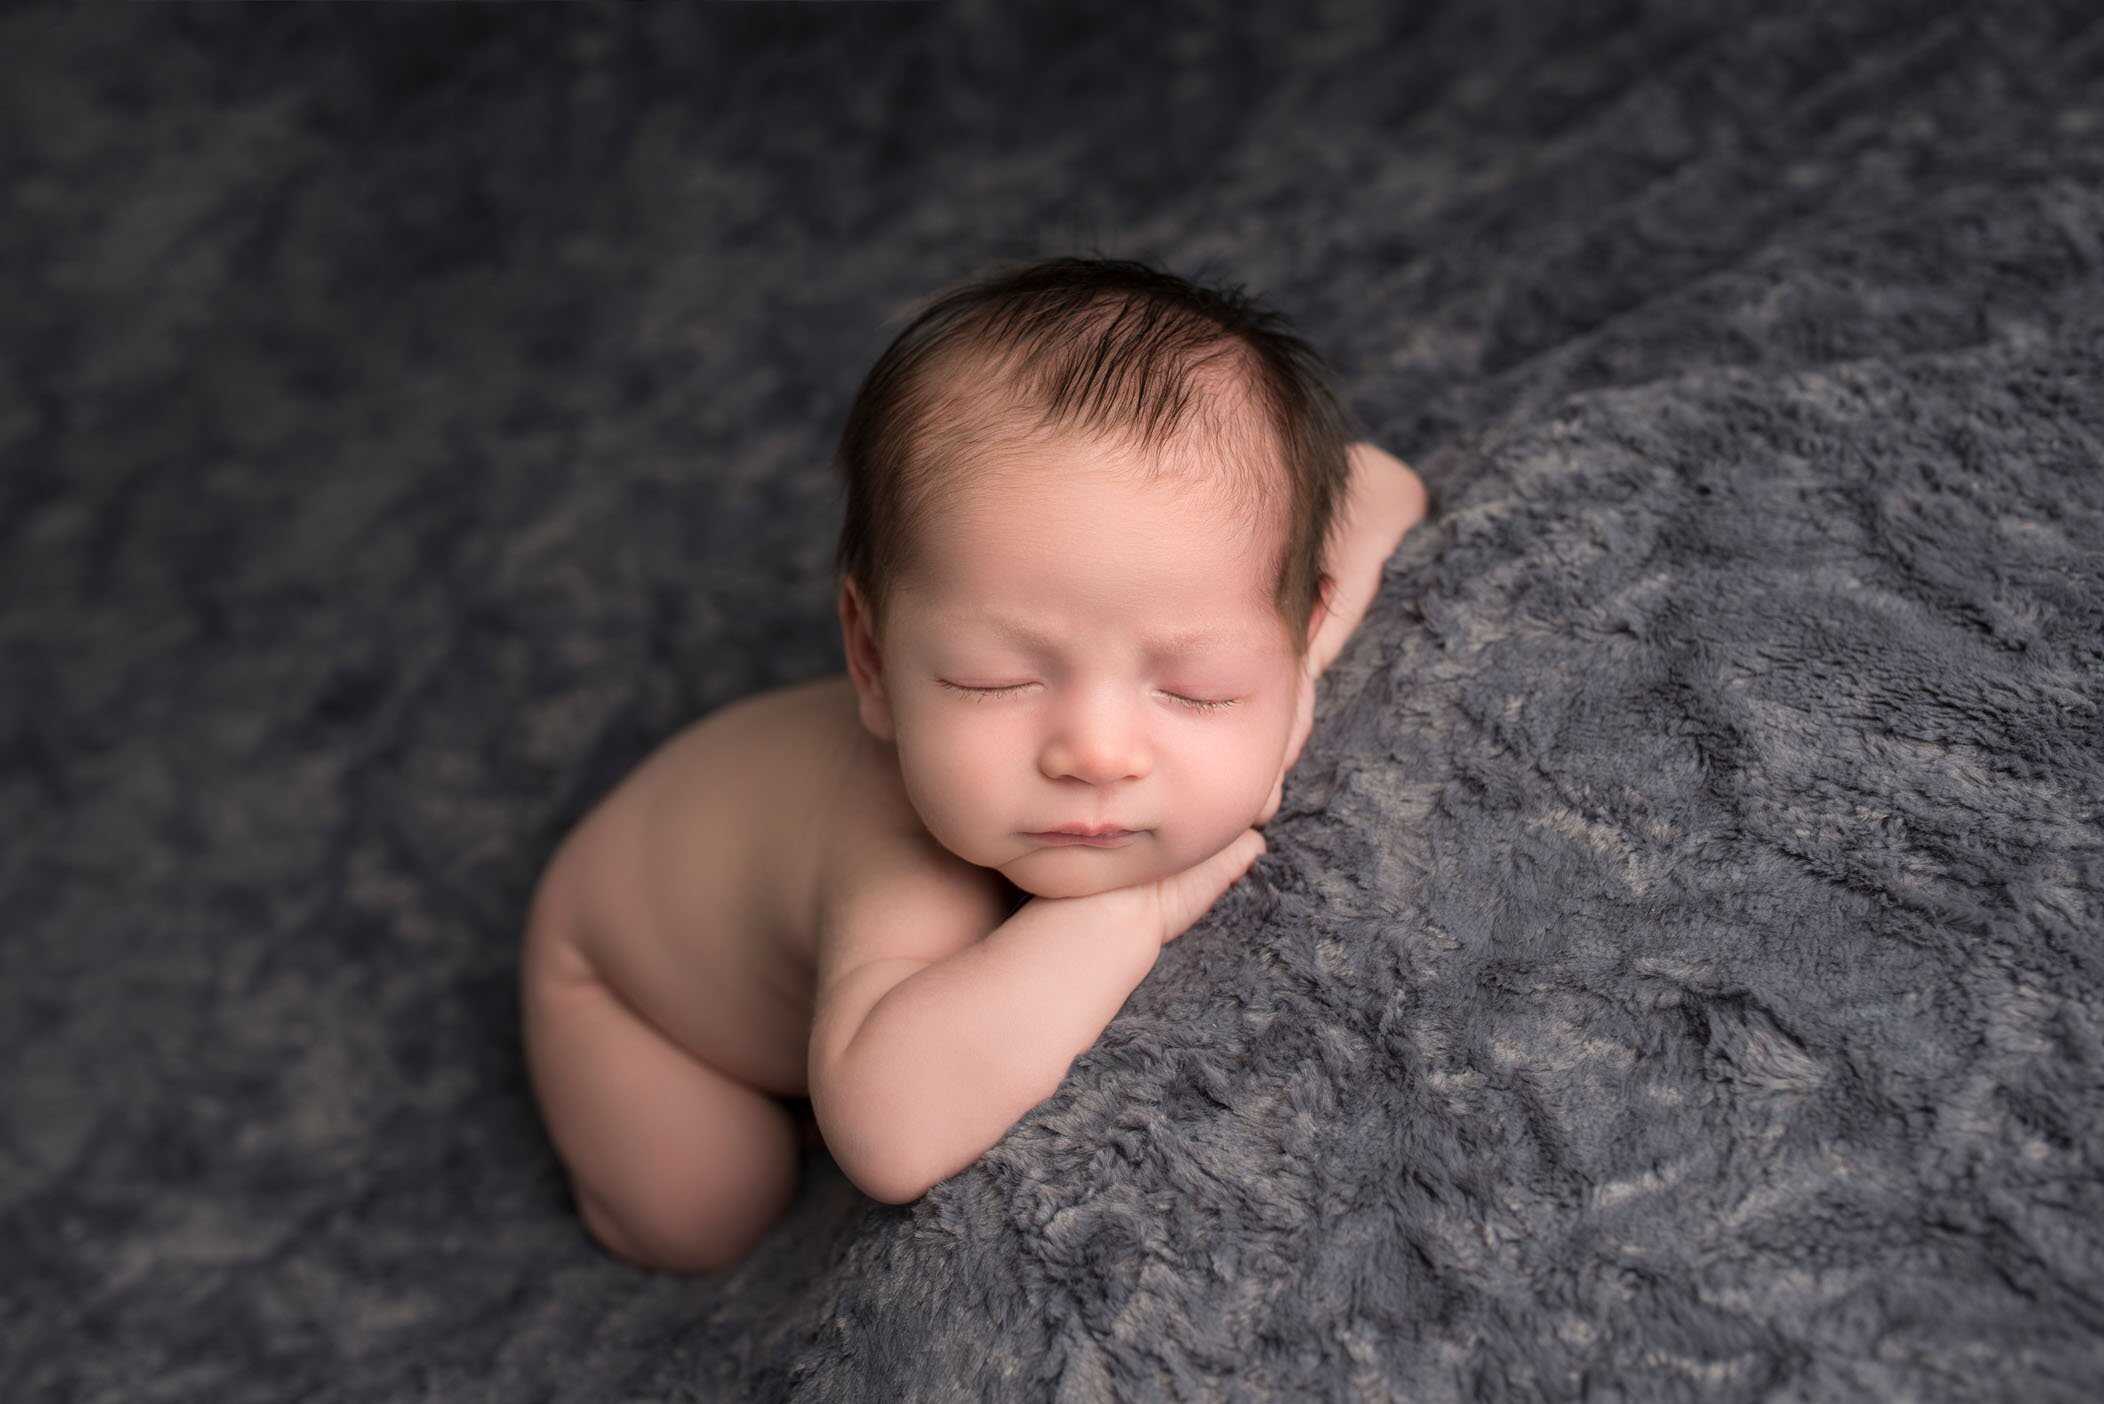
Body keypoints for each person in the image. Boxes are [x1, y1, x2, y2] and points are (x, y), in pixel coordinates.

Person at [519, 256, 1430, 1274]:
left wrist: (1289, 686)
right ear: (871, 659)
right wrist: (1128, 909)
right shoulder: (898, 842)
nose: (1094, 753)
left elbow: (1378, 488)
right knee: (707, 1210)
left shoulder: (1269, 638)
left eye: (1197, 685)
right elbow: (889, 1134)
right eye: (992, 679)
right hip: (626, 971)